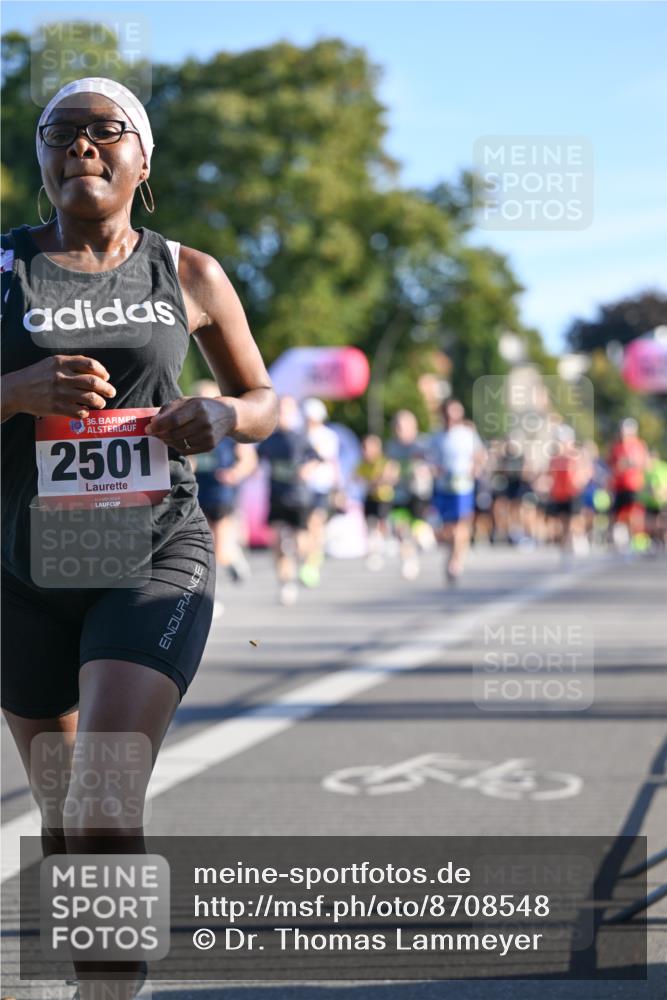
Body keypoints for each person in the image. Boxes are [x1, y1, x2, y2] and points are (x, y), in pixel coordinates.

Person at [0, 77, 277, 1000]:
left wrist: (221, 417)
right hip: (21, 570)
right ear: (39, 159)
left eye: (104, 130)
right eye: (59, 133)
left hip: (153, 556)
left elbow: (265, 399)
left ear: (143, 159)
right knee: (61, 808)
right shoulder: (2, 268)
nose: (80, 145)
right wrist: (15, 391)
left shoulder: (187, 272)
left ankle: (107, 991)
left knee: (103, 798)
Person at [190, 378, 258, 616]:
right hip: (198, 492)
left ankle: (211, 597)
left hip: (222, 494)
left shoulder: (230, 428)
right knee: (203, 546)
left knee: (216, 548)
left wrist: (235, 473)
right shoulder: (190, 427)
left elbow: (248, 460)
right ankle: (234, 558)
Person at [257, 396, 321, 605]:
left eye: (287, 411)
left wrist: (307, 469)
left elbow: (315, 458)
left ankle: (310, 560)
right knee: (278, 543)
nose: (283, 415)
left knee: (300, 544)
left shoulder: (300, 438)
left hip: (299, 498)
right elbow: (255, 460)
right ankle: (286, 583)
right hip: (276, 497)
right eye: (280, 411)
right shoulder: (269, 440)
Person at [427, 399, 486, 584]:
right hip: (443, 487)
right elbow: (429, 459)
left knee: (461, 524)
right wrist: (432, 469)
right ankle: (453, 554)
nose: (451, 419)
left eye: (455, 414)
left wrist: (476, 467)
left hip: (463, 487)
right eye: (447, 415)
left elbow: (479, 454)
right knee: (447, 528)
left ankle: (455, 561)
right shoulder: (436, 437)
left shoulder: (467, 434)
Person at [385, 409, 433, 580]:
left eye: (403, 426)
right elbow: (390, 466)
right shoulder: (392, 446)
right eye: (397, 426)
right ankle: (408, 560)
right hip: (399, 492)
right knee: (399, 528)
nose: (399, 430)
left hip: (418, 491)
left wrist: (423, 470)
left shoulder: (423, 443)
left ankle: (420, 543)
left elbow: (432, 465)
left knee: (416, 528)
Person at [300, 397, 342, 588]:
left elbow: (326, 459)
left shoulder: (327, 436)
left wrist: (338, 487)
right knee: (307, 527)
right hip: (302, 488)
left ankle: (312, 562)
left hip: (320, 486)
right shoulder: (300, 434)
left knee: (315, 523)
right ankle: (312, 556)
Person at [354, 434, 398, 571]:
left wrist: (375, 481)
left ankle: (387, 542)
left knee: (382, 524)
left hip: (384, 498)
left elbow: (389, 477)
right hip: (370, 498)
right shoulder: (363, 464)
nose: (365, 451)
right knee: (370, 525)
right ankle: (374, 551)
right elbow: (356, 478)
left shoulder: (384, 462)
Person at [608, 418, 649, 548]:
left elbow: (644, 463)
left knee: (634, 514)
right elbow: (614, 465)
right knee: (617, 515)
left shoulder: (639, 445)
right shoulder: (616, 446)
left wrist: (630, 463)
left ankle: (636, 540)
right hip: (619, 486)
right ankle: (621, 540)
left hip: (634, 485)